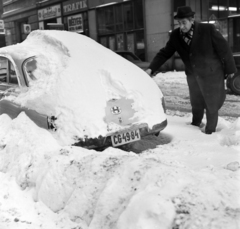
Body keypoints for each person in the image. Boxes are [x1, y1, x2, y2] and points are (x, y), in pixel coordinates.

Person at [146, 6, 237, 134]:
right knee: (196, 103)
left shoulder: (207, 30)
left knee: (211, 104)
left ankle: (209, 133)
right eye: (179, 23)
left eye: (184, 23)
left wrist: (230, 68)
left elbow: (224, 49)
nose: (181, 26)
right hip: (193, 76)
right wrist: (151, 68)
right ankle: (194, 127)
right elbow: (164, 53)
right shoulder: (176, 36)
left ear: (192, 20)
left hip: (212, 74)